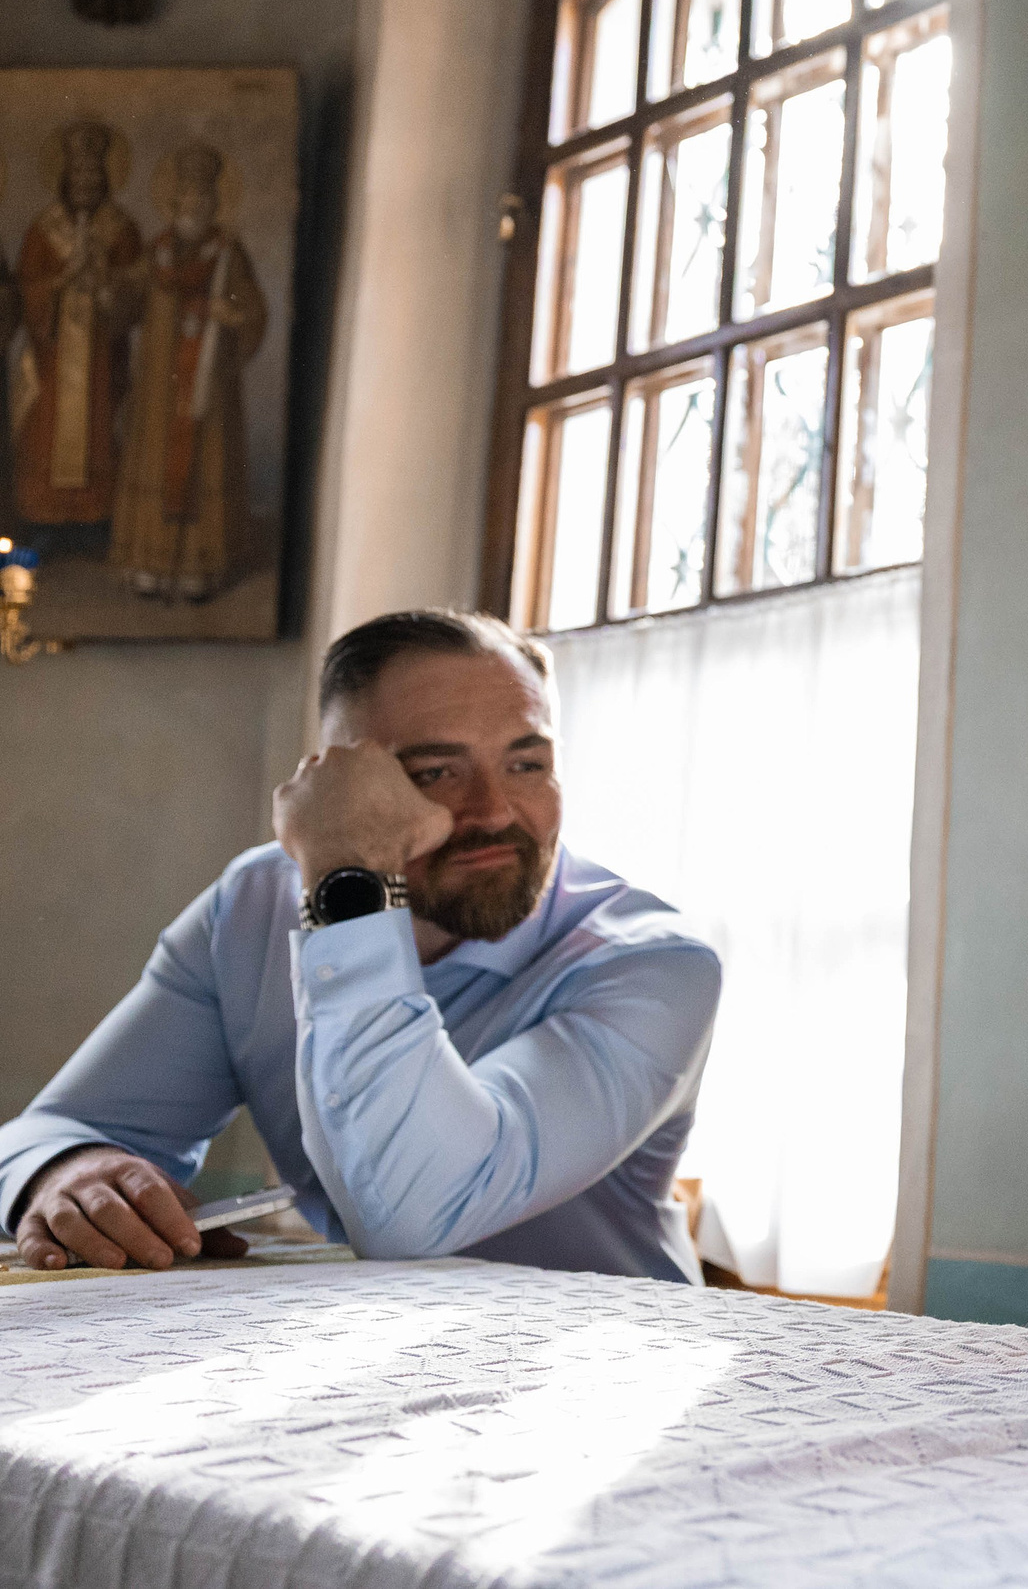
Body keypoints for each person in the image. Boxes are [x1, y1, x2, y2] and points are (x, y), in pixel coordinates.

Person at [0, 609, 721, 1283]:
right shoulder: (254, 906)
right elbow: (60, 1127)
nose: (494, 810)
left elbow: (416, 1213)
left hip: (611, 1382)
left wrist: (352, 887)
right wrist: (66, 1170)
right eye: (436, 772)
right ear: (339, 781)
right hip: (357, 1373)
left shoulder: (654, 965)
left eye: (526, 765)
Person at [111, 141, 268, 601]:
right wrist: (108, 298)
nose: (196, 203)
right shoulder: (156, 252)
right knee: (156, 456)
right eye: (188, 195)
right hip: (161, 384)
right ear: (174, 200)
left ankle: (199, 572)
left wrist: (232, 311)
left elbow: (252, 307)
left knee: (205, 458)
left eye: (205, 196)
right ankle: (150, 568)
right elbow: (129, 300)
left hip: (208, 384)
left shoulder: (227, 253)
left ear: (215, 202)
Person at [12, 118, 142, 532]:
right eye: (78, 171)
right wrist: (60, 282)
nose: (85, 180)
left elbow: (137, 292)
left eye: (93, 172)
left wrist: (107, 285)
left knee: (102, 429)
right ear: (65, 175)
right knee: (47, 431)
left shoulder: (121, 230)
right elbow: (25, 288)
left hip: (103, 354)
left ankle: (97, 521)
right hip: (52, 357)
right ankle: (46, 522)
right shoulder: (42, 229)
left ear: (104, 176)